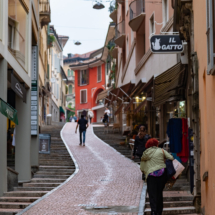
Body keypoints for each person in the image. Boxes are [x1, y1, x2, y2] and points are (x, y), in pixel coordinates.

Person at [140, 138, 174, 215]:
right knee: (159, 193)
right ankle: (159, 211)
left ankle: (154, 211)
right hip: (162, 175)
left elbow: (142, 167)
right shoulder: (161, 150)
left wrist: (146, 171)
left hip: (151, 176)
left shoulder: (145, 153)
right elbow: (171, 158)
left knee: (152, 194)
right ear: (156, 144)